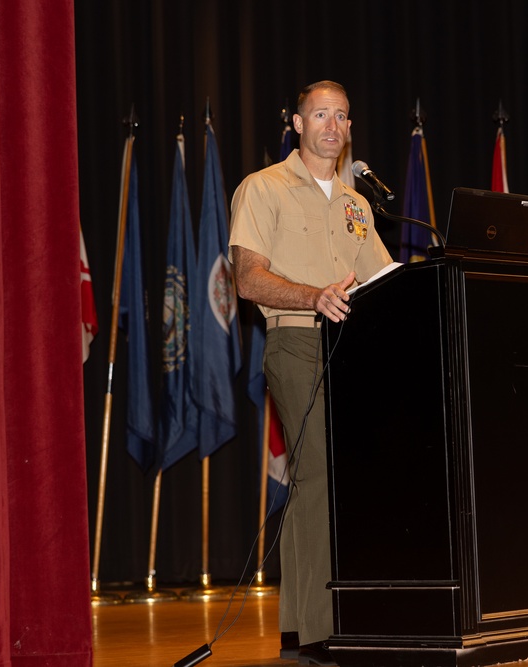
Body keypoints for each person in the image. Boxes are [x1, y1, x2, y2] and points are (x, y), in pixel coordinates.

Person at [229, 80, 392, 666]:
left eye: (342, 116)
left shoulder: (357, 204)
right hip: (296, 342)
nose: (333, 125)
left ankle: (306, 628)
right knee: (318, 472)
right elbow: (248, 279)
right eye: (320, 114)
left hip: (355, 349)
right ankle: (315, 629)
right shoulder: (263, 188)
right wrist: (312, 297)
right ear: (296, 124)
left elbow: (383, 281)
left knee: (341, 481)